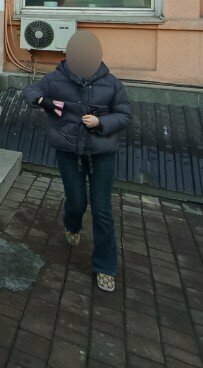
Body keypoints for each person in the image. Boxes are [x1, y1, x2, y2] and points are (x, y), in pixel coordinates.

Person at [22, 31, 132, 292]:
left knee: (102, 209)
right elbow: (31, 90)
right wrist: (42, 101)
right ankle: (72, 225)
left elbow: (125, 115)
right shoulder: (56, 78)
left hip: (102, 153)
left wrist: (101, 122)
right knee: (77, 201)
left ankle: (105, 267)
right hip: (69, 151)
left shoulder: (111, 84)